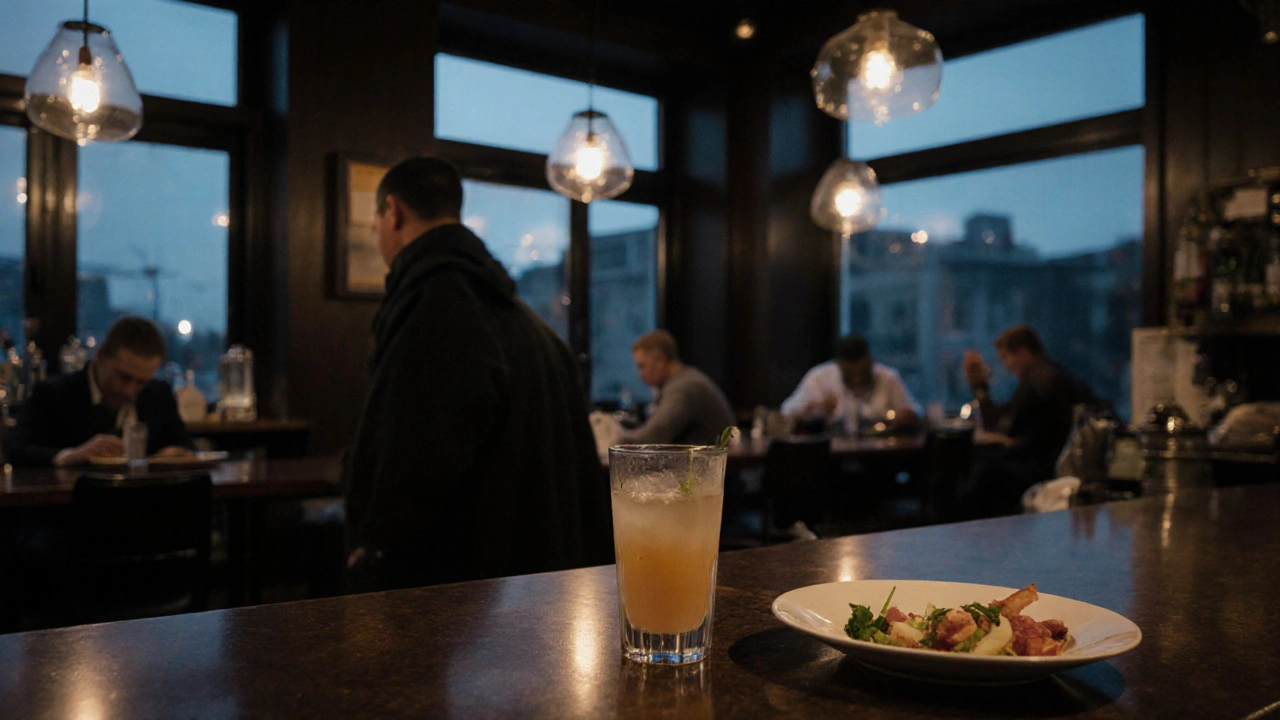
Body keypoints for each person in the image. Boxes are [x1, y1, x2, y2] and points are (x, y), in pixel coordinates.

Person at [343, 156, 611, 593]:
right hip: (548, 586)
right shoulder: (522, 320)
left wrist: (369, 551)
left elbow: (411, 468)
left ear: (392, 212)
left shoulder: (435, 311)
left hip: (465, 612)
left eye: (375, 223)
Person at [9, 316, 195, 467]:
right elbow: (17, 450)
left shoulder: (158, 395)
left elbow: (186, 447)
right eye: (124, 377)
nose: (130, 391)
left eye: (141, 382)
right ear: (100, 356)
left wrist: (176, 454)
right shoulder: (53, 394)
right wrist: (72, 455)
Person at [958, 324, 1098, 518]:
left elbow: (1006, 427)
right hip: (1052, 463)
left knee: (980, 473)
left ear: (1022, 352)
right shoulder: (1048, 375)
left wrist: (1001, 439)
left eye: (1006, 357)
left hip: (1042, 467)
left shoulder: (1038, 380)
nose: (1006, 365)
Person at [781, 335, 921, 434]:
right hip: (832, 457)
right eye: (850, 373)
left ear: (871, 361)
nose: (857, 379)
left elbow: (914, 412)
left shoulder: (888, 377)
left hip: (881, 457)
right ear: (838, 365)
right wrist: (811, 409)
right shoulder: (820, 377)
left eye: (863, 372)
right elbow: (787, 411)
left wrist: (906, 417)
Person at [618, 330, 736, 446]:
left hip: (712, 463)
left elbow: (653, 436)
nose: (640, 375)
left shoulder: (684, 388)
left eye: (642, 366)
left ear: (660, 360)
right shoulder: (684, 380)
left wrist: (614, 439)